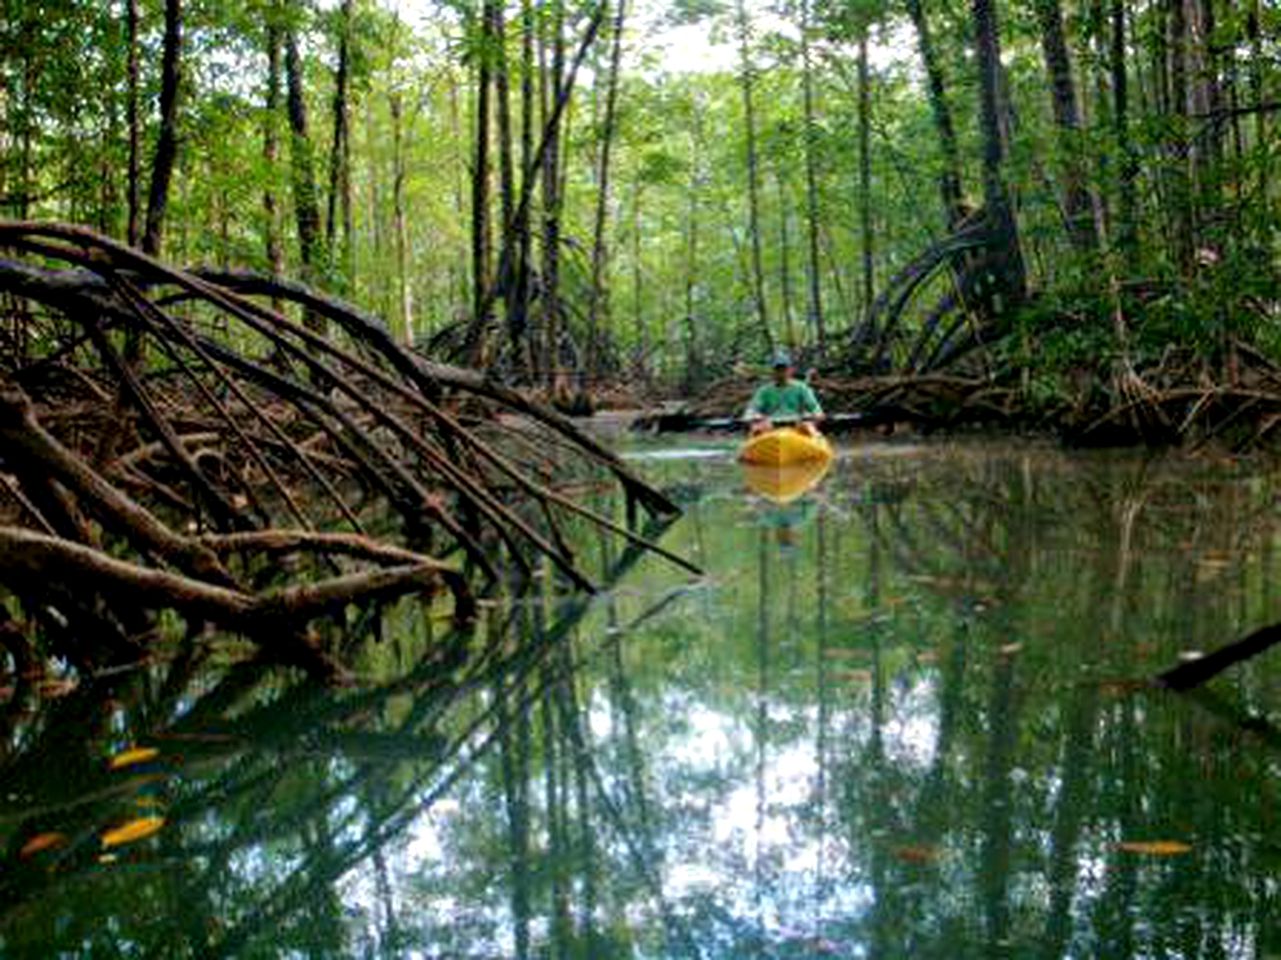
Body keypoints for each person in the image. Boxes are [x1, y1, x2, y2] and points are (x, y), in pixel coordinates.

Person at [744, 350, 824, 436]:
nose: (781, 373)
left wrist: (814, 419)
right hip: (770, 426)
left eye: (784, 369)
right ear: (773, 371)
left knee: (808, 427)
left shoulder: (802, 388)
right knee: (757, 428)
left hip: (796, 424)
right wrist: (755, 419)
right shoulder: (764, 391)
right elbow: (752, 410)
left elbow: (815, 409)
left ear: (790, 370)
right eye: (778, 369)